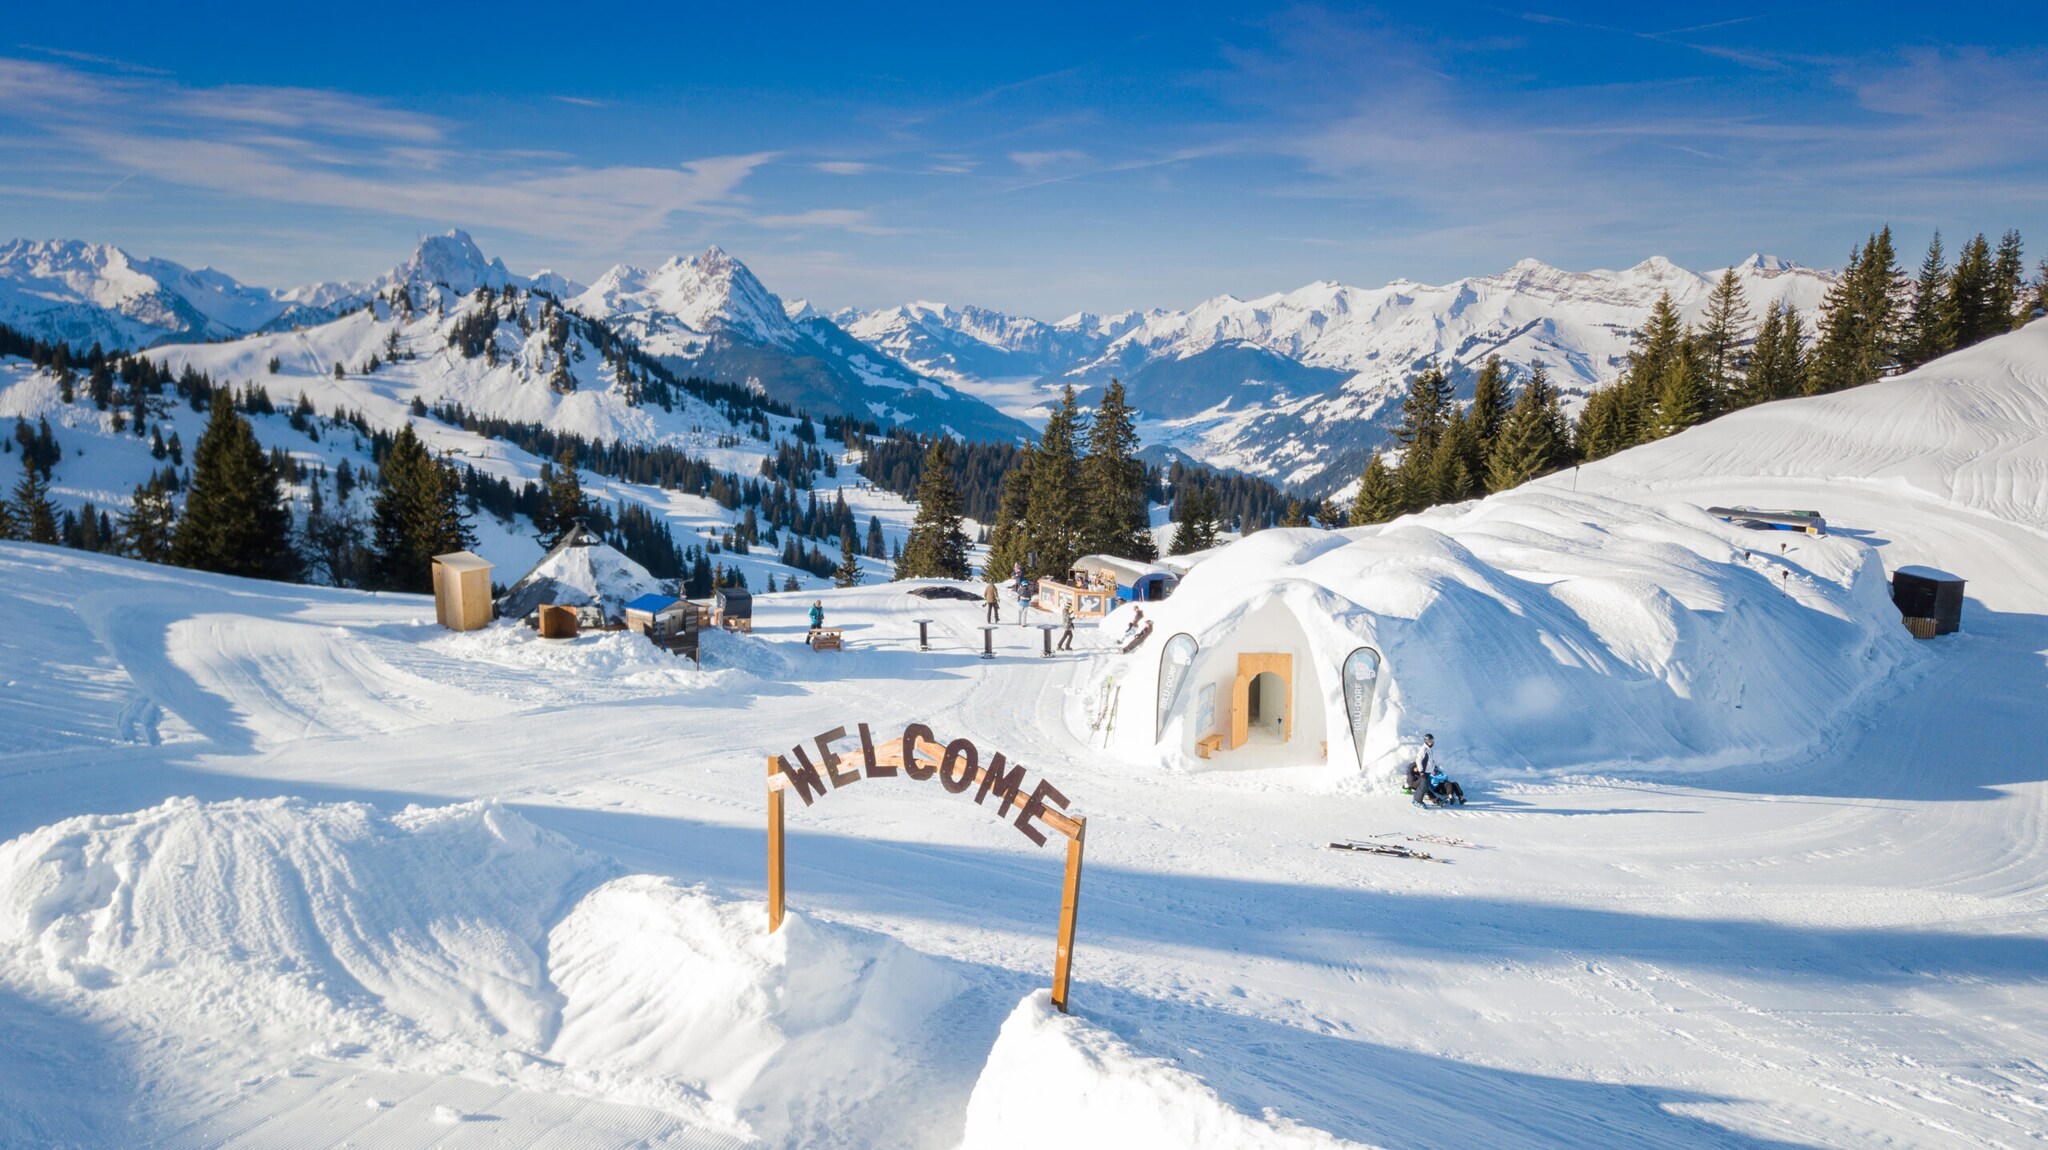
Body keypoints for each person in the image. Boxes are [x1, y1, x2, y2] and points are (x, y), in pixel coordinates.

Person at [1411, 734, 1438, 807]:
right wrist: (1421, 771)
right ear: (1426, 741)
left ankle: (1415, 799)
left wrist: (1433, 768)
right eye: (1430, 741)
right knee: (1423, 787)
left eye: (1432, 740)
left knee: (1423, 786)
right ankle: (1418, 801)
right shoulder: (1424, 749)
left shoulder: (1429, 749)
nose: (1432, 742)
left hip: (1428, 771)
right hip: (1424, 772)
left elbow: (1430, 761)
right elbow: (1418, 760)